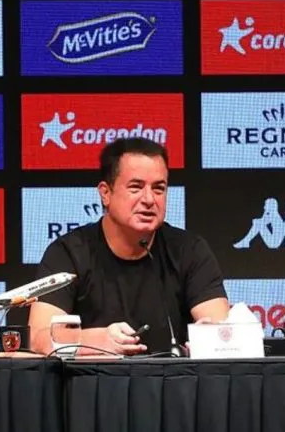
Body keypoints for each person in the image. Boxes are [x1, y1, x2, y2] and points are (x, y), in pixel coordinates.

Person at [28, 138, 230, 356]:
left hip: (171, 377)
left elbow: (223, 332)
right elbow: (38, 337)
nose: (149, 199)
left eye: (159, 188)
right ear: (105, 193)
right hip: (94, 377)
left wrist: (210, 339)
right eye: (136, 187)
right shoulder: (68, 253)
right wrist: (96, 341)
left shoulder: (189, 250)